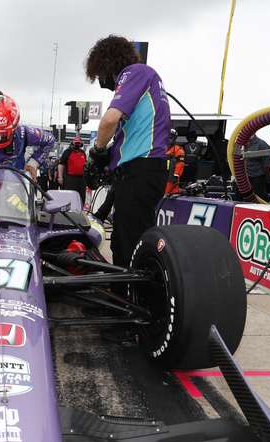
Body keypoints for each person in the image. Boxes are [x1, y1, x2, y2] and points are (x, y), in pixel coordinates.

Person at [84, 34, 170, 269]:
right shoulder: (146, 80)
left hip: (141, 169)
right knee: (122, 243)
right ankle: (124, 297)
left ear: (106, 64)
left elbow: (108, 121)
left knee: (132, 246)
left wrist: (97, 153)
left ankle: (138, 301)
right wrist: (108, 161)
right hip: (140, 169)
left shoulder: (136, 72)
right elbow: (130, 136)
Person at [57, 136, 88, 205]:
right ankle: (69, 211)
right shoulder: (67, 152)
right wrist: (60, 177)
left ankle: (80, 211)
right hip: (70, 178)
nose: (77, 145)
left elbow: (85, 165)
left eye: (79, 143)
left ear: (81, 144)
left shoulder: (83, 153)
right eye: (76, 143)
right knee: (69, 196)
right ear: (73, 143)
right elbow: (61, 165)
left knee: (82, 196)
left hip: (82, 179)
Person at [244, 134, 270, 200]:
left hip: (257, 178)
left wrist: (264, 177)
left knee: (259, 198)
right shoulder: (241, 144)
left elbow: (267, 165)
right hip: (243, 178)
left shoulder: (262, 144)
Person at [165, 129, 185, 195]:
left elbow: (180, 164)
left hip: (171, 178)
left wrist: (176, 175)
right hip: (160, 176)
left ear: (174, 138)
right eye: (167, 137)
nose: (169, 139)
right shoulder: (159, 148)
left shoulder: (178, 150)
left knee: (169, 193)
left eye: (171, 137)